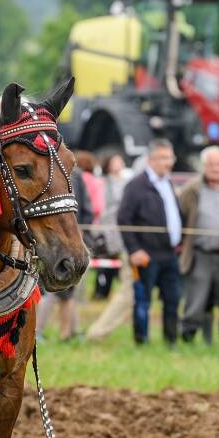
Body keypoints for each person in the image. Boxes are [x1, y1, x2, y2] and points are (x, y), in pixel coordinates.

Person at [117, 138, 182, 346]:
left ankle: (171, 341)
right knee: (143, 301)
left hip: (170, 254)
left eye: (170, 157)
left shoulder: (168, 183)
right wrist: (134, 250)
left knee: (173, 299)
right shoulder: (136, 186)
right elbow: (124, 219)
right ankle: (141, 341)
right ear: (151, 159)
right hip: (146, 254)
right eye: (163, 158)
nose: (168, 162)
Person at [178, 146, 219, 345]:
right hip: (200, 254)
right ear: (203, 166)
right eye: (211, 164)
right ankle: (188, 337)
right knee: (195, 301)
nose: (215, 169)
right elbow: (181, 215)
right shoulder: (191, 189)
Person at [36, 166, 93, 341]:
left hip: (72, 240)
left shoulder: (75, 176)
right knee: (44, 291)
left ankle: (67, 333)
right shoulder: (44, 172)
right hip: (48, 240)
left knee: (67, 293)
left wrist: (79, 232)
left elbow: (86, 210)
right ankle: (37, 331)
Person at [86, 152, 134, 341]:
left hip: (123, 234)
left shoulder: (125, 182)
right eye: (115, 160)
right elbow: (103, 209)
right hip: (111, 233)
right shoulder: (104, 183)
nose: (119, 163)